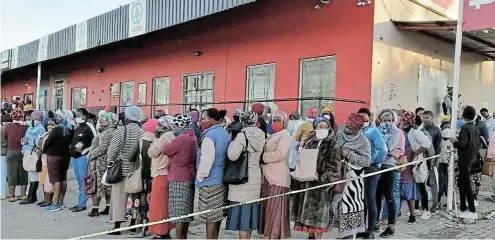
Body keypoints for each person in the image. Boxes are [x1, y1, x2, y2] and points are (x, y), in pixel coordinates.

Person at [292, 117, 338, 239]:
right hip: (307, 184)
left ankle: (318, 237)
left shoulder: (332, 144)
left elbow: (335, 168)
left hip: (321, 187)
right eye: (320, 126)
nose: (322, 129)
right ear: (315, 127)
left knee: (319, 217)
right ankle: (311, 236)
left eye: (325, 126)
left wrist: (323, 180)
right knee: (307, 216)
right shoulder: (309, 142)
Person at [330, 113, 371, 239]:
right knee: (337, 206)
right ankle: (343, 234)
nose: (347, 130)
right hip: (338, 176)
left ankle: (349, 235)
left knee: (349, 208)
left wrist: (348, 154)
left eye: (351, 129)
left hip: (353, 180)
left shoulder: (364, 141)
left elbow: (366, 161)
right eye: (347, 127)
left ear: (358, 129)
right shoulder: (340, 134)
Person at [225, 111, 264, 239]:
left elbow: (233, 155)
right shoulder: (262, 134)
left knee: (242, 217)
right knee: (250, 215)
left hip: (243, 177)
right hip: (256, 176)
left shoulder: (242, 135)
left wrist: (231, 144)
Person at [107, 106, 144, 235]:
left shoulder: (121, 131)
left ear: (126, 117)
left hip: (121, 168)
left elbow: (113, 150)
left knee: (118, 197)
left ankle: (117, 226)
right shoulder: (142, 131)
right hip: (136, 170)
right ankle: (133, 224)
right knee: (134, 197)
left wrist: (110, 161)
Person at [196, 108, 230, 239]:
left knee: (209, 218)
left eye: (203, 118)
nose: (201, 121)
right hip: (222, 178)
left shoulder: (209, 136)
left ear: (210, 120)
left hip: (210, 180)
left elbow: (206, 161)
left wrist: (200, 178)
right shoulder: (224, 133)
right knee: (217, 216)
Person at [162, 115, 197, 239]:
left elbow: (165, 150)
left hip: (178, 176)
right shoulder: (192, 136)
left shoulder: (182, 138)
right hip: (189, 174)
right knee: (185, 210)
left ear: (180, 125)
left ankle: (179, 237)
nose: (174, 128)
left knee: (178, 211)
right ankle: (183, 236)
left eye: (175, 126)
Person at [259, 110, 291, 239]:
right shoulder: (272, 135)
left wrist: (263, 157)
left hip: (278, 177)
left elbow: (280, 154)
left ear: (284, 123)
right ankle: (269, 235)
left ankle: (275, 235)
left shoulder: (285, 135)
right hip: (268, 176)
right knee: (269, 207)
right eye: (274, 120)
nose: (275, 122)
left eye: (279, 120)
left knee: (276, 208)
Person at [356, 108, 387, 239]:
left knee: (370, 199)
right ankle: (362, 228)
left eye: (365, 116)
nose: (362, 119)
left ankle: (371, 230)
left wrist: (375, 163)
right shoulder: (357, 130)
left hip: (371, 169)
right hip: (358, 168)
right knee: (360, 200)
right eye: (360, 116)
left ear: (369, 117)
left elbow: (382, 149)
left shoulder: (374, 131)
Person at [128, 119, 158, 237]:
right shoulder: (157, 141)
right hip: (153, 177)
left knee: (138, 203)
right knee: (150, 203)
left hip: (139, 177)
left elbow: (130, 157)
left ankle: (139, 230)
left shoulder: (141, 141)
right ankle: (150, 227)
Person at [399, 111, 431, 224]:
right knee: (399, 187)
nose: (401, 122)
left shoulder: (415, 133)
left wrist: (415, 153)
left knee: (410, 188)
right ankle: (398, 212)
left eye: (403, 121)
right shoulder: (401, 132)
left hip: (412, 164)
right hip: (401, 163)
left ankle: (414, 213)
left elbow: (427, 144)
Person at [147, 117, 176, 239]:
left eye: (160, 125)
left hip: (160, 173)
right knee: (165, 204)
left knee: (158, 205)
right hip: (168, 172)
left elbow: (152, 152)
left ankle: (160, 232)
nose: (157, 128)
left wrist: (155, 140)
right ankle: (166, 230)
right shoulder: (172, 136)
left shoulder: (163, 137)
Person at [377, 109, 405, 229]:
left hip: (390, 166)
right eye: (384, 120)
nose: (387, 122)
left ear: (393, 120)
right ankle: (375, 223)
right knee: (377, 195)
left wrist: (384, 150)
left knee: (389, 195)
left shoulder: (397, 132)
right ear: (380, 120)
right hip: (377, 166)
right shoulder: (377, 131)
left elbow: (390, 147)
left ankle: (391, 224)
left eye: (389, 120)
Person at [43, 110, 74, 211]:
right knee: (63, 179)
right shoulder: (70, 129)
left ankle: (55, 203)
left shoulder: (56, 130)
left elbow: (48, 142)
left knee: (55, 180)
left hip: (54, 156)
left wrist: (44, 151)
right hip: (65, 156)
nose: (57, 118)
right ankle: (61, 202)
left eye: (59, 117)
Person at [87, 112, 116, 217]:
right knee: (106, 186)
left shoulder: (108, 132)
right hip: (104, 161)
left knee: (98, 185)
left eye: (103, 119)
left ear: (109, 121)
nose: (100, 120)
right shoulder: (107, 131)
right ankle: (107, 207)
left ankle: (95, 209)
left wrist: (91, 155)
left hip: (101, 162)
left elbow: (103, 148)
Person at [453, 106, 480, 219]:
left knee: (467, 184)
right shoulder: (474, 127)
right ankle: (463, 206)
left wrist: (454, 142)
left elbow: (463, 144)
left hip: (465, 159)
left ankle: (472, 210)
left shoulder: (465, 128)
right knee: (462, 182)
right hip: (472, 157)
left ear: (464, 116)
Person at [69, 108, 96, 212]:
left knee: (83, 180)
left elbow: (96, 141)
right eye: (75, 115)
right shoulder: (78, 127)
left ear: (84, 116)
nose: (76, 117)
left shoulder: (89, 126)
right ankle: (80, 202)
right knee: (79, 181)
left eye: (78, 115)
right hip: (75, 157)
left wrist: (86, 151)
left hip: (83, 157)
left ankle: (82, 204)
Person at [19, 110, 46, 204]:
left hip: (34, 153)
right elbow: (25, 137)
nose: (33, 120)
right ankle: (32, 196)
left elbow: (39, 142)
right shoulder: (30, 128)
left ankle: (31, 196)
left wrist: (28, 141)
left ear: (40, 119)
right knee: (31, 174)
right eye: (32, 118)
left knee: (33, 174)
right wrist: (23, 141)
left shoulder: (41, 129)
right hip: (26, 152)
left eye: (35, 119)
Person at [3, 109, 28, 202]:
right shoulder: (25, 127)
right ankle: (23, 194)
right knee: (23, 173)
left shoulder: (8, 127)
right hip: (22, 152)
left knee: (11, 173)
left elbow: (5, 137)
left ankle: (12, 195)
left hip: (11, 152)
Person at [422, 110, 442, 214]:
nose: (425, 120)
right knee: (422, 182)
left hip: (432, 159)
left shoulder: (436, 130)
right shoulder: (420, 129)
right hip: (422, 159)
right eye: (423, 117)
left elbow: (438, 147)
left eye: (427, 118)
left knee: (433, 183)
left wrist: (435, 160)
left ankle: (435, 204)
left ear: (431, 118)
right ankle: (423, 203)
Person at [36, 118, 56, 207]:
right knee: (43, 179)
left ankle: (49, 200)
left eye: (52, 124)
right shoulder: (45, 134)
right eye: (48, 124)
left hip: (50, 158)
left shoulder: (56, 135)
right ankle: (45, 198)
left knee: (49, 180)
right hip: (43, 158)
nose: (50, 126)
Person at [438, 128, 454, 206]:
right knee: (445, 182)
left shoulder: (446, 142)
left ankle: (441, 200)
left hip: (445, 164)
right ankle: (446, 200)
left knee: (444, 182)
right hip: (445, 164)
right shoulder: (450, 142)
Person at [1, 113, 12, 200]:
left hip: (1, 152)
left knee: (2, 174)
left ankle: (2, 193)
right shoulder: (9, 129)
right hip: (8, 151)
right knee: (9, 173)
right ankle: (13, 192)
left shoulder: (1, 128)